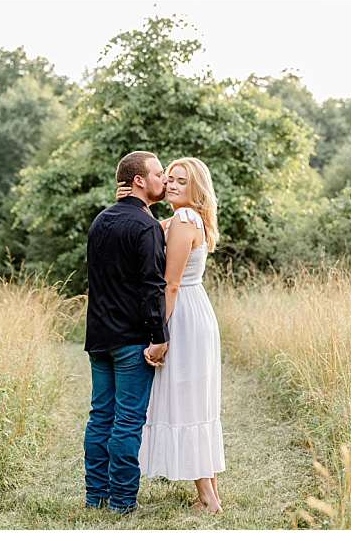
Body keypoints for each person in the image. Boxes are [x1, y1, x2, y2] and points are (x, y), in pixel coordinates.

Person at [116, 156, 225, 514]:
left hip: (183, 313)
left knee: (187, 403)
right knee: (195, 401)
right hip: (198, 309)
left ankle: (208, 498)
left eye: (180, 181)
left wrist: (157, 332)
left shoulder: (183, 219)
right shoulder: (188, 218)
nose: (172, 185)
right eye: (170, 179)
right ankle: (208, 494)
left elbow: (171, 283)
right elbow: (150, 227)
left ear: (195, 187)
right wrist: (132, 203)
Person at [84, 151, 171, 514]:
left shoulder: (100, 221)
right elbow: (151, 286)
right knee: (128, 421)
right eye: (158, 174)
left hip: (99, 336)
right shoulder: (145, 227)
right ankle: (121, 501)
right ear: (139, 180)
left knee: (100, 416)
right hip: (132, 338)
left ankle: (95, 496)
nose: (164, 180)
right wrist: (159, 336)